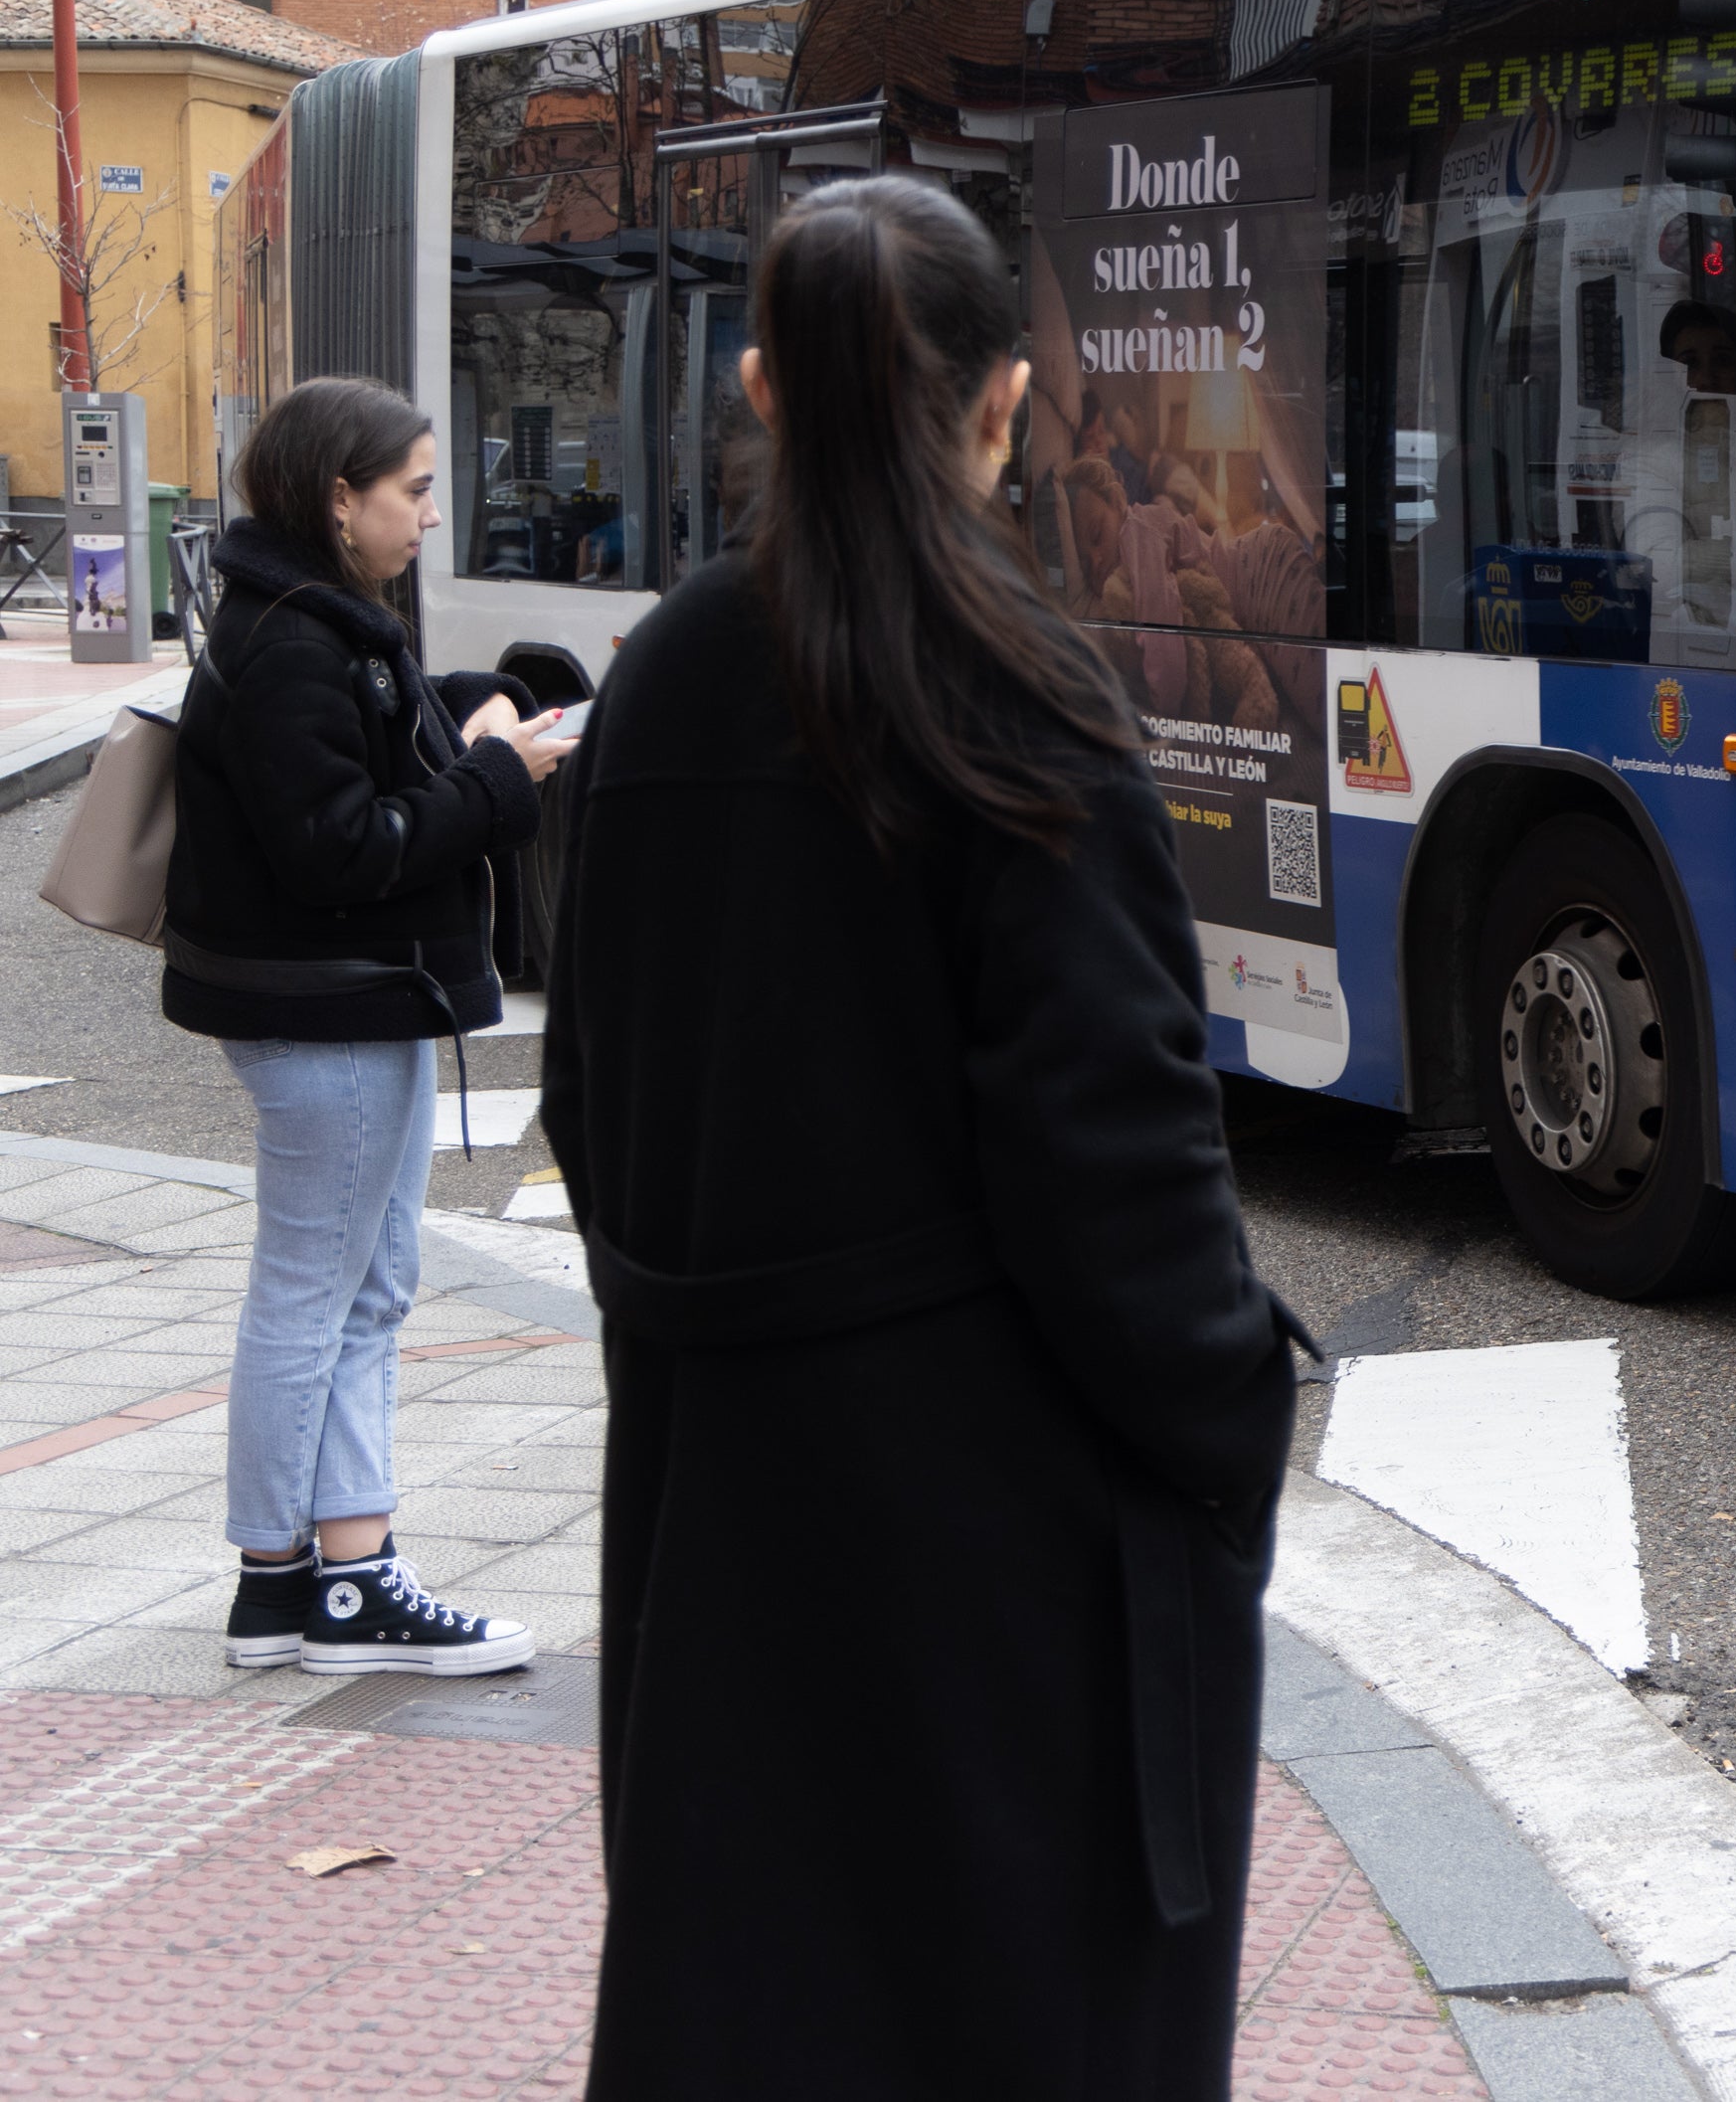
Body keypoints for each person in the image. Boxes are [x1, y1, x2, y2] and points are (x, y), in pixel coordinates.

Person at [546, 173, 1304, 2095]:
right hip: (1002, 1559)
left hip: (723, 1524)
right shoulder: (1026, 701)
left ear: (761, 394)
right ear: (1003, 406)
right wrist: (1234, 1437)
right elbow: (1122, 1171)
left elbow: (587, 1094)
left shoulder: (659, 682)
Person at [166, 375, 572, 1675]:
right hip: (327, 1005)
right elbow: (343, 847)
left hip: (350, 1000)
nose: (429, 515)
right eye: (412, 490)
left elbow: (367, 759)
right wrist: (500, 781)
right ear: (337, 499)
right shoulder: (292, 639)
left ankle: (323, 1574)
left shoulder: (312, 617)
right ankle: (316, 1577)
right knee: (322, 1287)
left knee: (362, 1283)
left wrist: (467, 718)